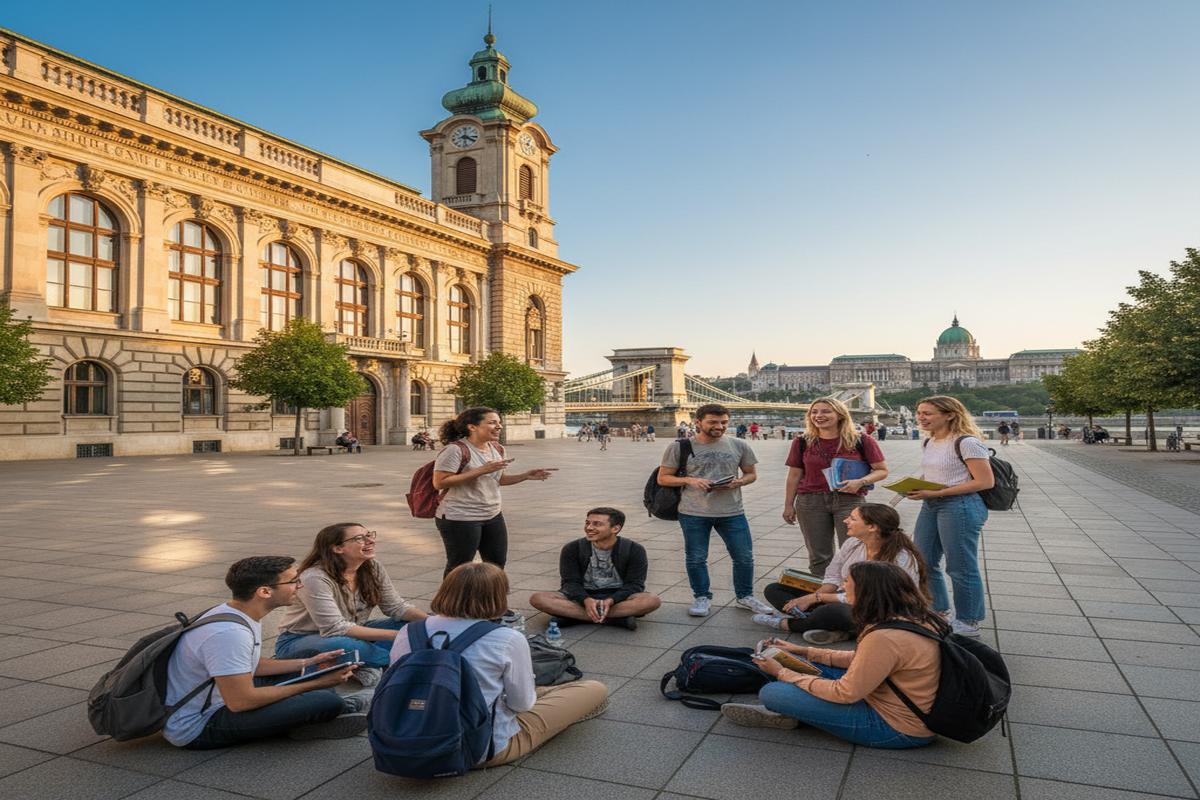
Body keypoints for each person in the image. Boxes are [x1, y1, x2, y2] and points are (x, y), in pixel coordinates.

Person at [389, 563, 609, 767]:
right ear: (497, 597)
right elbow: (521, 704)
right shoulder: (505, 638)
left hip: (404, 736)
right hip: (478, 750)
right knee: (593, 689)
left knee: (520, 691)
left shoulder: (409, 631)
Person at [721, 561, 943, 749]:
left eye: (848, 583)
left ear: (867, 593)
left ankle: (790, 711)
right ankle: (798, 709)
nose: (843, 587)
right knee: (797, 662)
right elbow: (861, 661)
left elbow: (845, 693)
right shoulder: (915, 618)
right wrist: (804, 651)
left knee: (772, 692)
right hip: (894, 699)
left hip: (895, 727)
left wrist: (783, 674)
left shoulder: (885, 637)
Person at [163, 556, 370, 749]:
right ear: (264, 592)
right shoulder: (230, 634)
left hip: (223, 694)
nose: (300, 585)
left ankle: (312, 716)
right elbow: (240, 702)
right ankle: (333, 709)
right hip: (200, 723)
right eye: (293, 581)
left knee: (310, 657)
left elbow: (250, 664)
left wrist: (307, 662)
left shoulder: (236, 612)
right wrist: (316, 684)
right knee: (325, 700)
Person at [275, 524, 428, 686]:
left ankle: (368, 663)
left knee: (414, 626)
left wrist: (432, 623)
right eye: (360, 538)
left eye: (369, 535)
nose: (370, 541)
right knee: (344, 645)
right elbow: (335, 628)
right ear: (338, 548)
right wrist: (398, 637)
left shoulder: (373, 567)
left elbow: (395, 607)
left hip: (352, 631)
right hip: (300, 640)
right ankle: (405, 661)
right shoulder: (314, 578)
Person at [657, 403, 773, 617]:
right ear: (698, 422)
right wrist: (690, 480)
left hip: (732, 511)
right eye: (713, 422)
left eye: (723, 422)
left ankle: (745, 596)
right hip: (693, 512)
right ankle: (702, 597)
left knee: (744, 556)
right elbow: (663, 478)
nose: (719, 426)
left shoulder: (739, 445)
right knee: (696, 558)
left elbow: (751, 474)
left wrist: (737, 483)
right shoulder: (679, 447)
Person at [754, 504, 927, 643]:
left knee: (834, 612)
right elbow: (833, 575)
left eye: (852, 518)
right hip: (844, 599)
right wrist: (813, 596)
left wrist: (816, 598)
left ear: (872, 527)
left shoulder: (900, 558)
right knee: (774, 589)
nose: (845, 521)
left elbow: (867, 598)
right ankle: (838, 629)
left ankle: (790, 624)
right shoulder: (853, 543)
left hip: (881, 612)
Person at [903, 395, 994, 637]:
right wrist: (914, 487)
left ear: (950, 415)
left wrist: (939, 491)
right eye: (919, 413)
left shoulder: (967, 442)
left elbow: (985, 481)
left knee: (961, 566)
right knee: (923, 560)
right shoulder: (929, 442)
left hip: (960, 506)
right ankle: (938, 611)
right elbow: (936, 473)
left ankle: (968, 620)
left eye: (927, 413)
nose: (921, 418)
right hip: (932, 504)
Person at [432, 407, 555, 577]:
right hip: (460, 516)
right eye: (492, 423)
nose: (499, 427)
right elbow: (439, 483)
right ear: (472, 427)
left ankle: (491, 603)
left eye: (499, 423)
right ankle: (450, 603)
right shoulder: (455, 450)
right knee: (459, 568)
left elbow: (499, 479)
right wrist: (481, 470)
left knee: (497, 564)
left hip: (492, 514)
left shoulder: (497, 449)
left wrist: (526, 475)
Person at [782, 397, 889, 577]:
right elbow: (794, 475)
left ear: (840, 415)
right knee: (819, 555)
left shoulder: (861, 440)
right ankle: (822, 595)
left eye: (826, 411)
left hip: (849, 501)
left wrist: (860, 482)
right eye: (814, 412)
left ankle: (852, 595)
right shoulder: (802, 442)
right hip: (810, 501)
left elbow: (882, 471)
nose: (819, 415)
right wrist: (788, 505)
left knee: (855, 550)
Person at [529, 507, 662, 630]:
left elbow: (635, 585)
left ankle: (573, 616)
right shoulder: (572, 548)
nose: (589, 528)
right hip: (581, 597)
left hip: (618, 598)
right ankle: (615, 619)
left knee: (652, 600)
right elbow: (570, 583)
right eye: (587, 523)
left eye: (597, 524)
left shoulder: (634, 549)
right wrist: (585, 599)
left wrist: (612, 600)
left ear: (615, 528)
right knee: (538, 598)